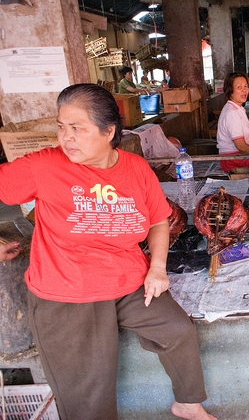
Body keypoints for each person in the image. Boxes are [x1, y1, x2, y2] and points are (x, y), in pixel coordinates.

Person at [0, 83, 216, 420]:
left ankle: (187, 404)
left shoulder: (134, 168)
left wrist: (157, 268)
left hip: (127, 281)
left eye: (77, 128)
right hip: (67, 292)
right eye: (61, 127)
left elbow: (158, 219)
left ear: (109, 131)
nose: (65, 138)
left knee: (178, 331)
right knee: (90, 394)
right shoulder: (43, 165)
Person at [217, 72, 249, 173]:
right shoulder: (232, 113)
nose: (244, 90)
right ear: (230, 91)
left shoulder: (238, 108)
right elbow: (241, 146)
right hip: (233, 160)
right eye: (239, 87)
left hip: (241, 156)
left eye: (246, 86)